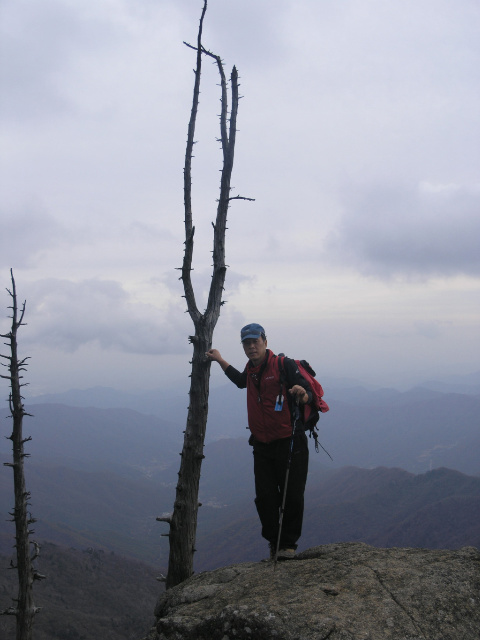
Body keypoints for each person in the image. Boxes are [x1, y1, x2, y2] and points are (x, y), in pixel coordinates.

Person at [206, 322, 313, 560]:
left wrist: (303, 395)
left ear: (265, 341)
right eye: (247, 343)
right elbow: (240, 381)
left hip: (290, 442)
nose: (252, 346)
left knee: (291, 495)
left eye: (255, 341)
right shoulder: (252, 371)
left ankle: (287, 546)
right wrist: (220, 360)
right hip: (262, 445)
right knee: (265, 498)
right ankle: (274, 543)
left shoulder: (283, 365)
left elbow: (308, 392)